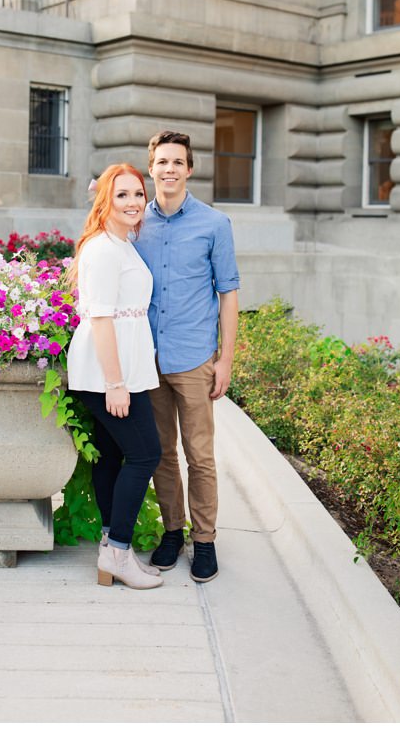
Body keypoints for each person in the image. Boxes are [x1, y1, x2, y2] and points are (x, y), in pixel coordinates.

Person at [132, 130, 240, 582]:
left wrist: (225, 360)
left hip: (194, 357)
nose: (170, 170)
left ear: (189, 169)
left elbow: (228, 293)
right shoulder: (136, 222)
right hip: (148, 357)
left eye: (178, 162)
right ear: (151, 167)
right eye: (162, 162)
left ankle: (206, 540)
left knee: (200, 454)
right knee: (161, 453)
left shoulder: (214, 224)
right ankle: (172, 531)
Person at [66, 162, 164, 590]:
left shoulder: (121, 243)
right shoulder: (104, 249)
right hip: (109, 373)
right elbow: (102, 319)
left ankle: (111, 547)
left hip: (121, 369)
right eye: (122, 194)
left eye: (138, 194)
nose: (133, 202)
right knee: (145, 455)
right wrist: (116, 383)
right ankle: (119, 552)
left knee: (111, 455)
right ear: (105, 199)